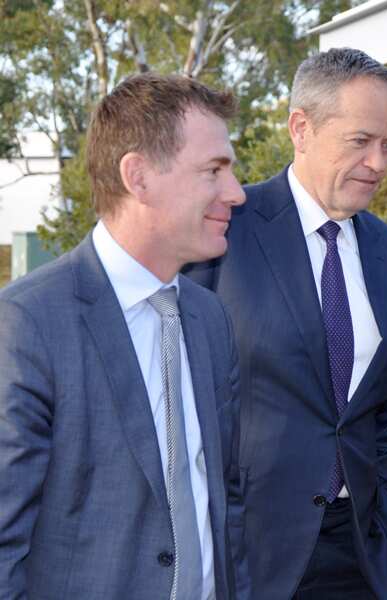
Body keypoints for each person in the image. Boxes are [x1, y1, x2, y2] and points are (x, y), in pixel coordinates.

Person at [0, 73, 246, 600]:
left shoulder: (209, 319)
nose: (236, 192)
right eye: (213, 170)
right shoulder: (27, 324)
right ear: (139, 176)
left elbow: (225, 500)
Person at [185, 48, 387, 600]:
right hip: (247, 553)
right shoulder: (224, 230)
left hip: (360, 551)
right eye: (360, 141)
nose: (379, 163)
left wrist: (385, 504)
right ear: (301, 129)